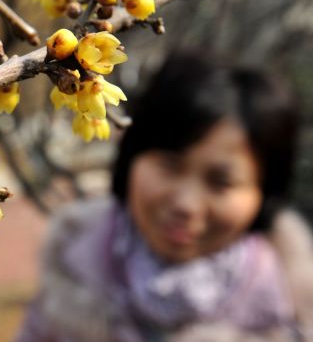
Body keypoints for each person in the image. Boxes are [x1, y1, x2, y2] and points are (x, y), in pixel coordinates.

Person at [17, 52, 313, 341]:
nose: (186, 204)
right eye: (170, 165)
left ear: (266, 191)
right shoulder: (74, 265)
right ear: (132, 158)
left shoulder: (286, 305)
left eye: (221, 181)